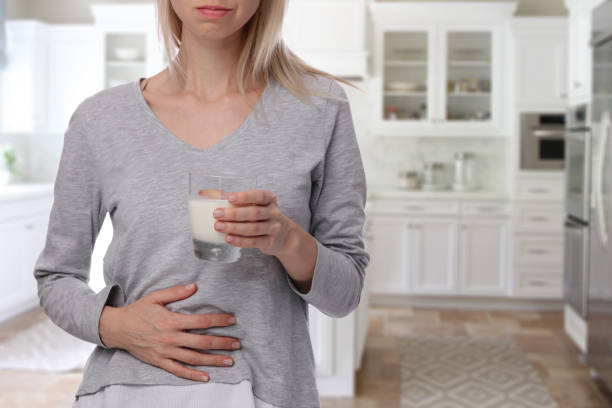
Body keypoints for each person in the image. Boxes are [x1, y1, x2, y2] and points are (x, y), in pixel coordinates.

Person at [33, 0, 370, 407]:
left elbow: (345, 293)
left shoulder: (319, 108)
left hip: (269, 392)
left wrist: (287, 240)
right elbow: (56, 277)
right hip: (130, 391)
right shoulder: (100, 120)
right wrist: (117, 325)